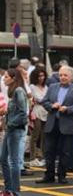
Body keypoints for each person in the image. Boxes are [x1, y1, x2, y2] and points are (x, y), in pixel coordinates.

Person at [37, 66, 73, 184]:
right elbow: (44, 101)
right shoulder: (52, 87)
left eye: (65, 75)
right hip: (52, 123)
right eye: (61, 75)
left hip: (68, 124)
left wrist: (68, 109)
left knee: (65, 151)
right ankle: (49, 175)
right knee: (49, 151)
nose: (62, 77)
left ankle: (62, 175)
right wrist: (52, 106)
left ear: (71, 77)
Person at [0, 68, 29, 196]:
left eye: (6, 77)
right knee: (3, 158)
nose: (4, 79)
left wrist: (10, 123)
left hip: (15, 130)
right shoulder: (13, 92)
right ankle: (8, 189)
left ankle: (15, 191)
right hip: (10, 129)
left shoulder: (18, 91)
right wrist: (7, 115)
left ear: (13, 78)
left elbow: (23, 113)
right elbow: (17, 111)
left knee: (13, 161)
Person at [28, 68, 48, 167]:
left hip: (46, 112)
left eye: (43, 76)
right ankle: (32, 158)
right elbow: (38, 99)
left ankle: (42, 157)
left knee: (44, 136)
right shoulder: (32, 86)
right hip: (37, 113)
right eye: (39, 76)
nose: (41, 78)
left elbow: (47, 99)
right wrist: (46, 101)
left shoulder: (46, 87)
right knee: (35, 136)